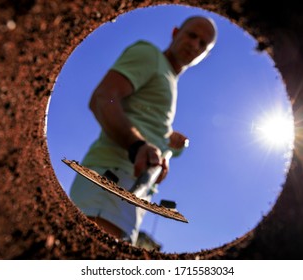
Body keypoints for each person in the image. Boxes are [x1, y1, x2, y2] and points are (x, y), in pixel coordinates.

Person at [70, 15, 217, 245]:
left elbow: (145, 121)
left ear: (205, 55)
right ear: (175, 32)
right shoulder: (151, 55)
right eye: (192, 35)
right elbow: (103, 98)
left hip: (134, 192)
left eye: (203, 44)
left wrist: (167, 143)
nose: (195, 44)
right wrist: (137, 145)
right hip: (111, 178)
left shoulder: (168, 80)